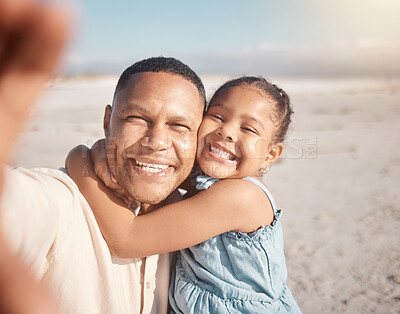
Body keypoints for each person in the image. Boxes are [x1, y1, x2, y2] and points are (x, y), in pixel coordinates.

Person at [0, 1, 207, 310]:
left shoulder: (194, 220)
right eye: (137, 118)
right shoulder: (58, 202)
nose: (156, 141)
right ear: (108, 121)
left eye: (179, 126)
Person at [67, 77, 301, 313]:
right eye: (218, 117)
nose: (227, 131)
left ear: (271, 155)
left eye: (248, 129)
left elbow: (127, 238)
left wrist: (79, 161)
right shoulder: (209, 179)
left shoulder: (241, 196)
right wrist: (102, 151)